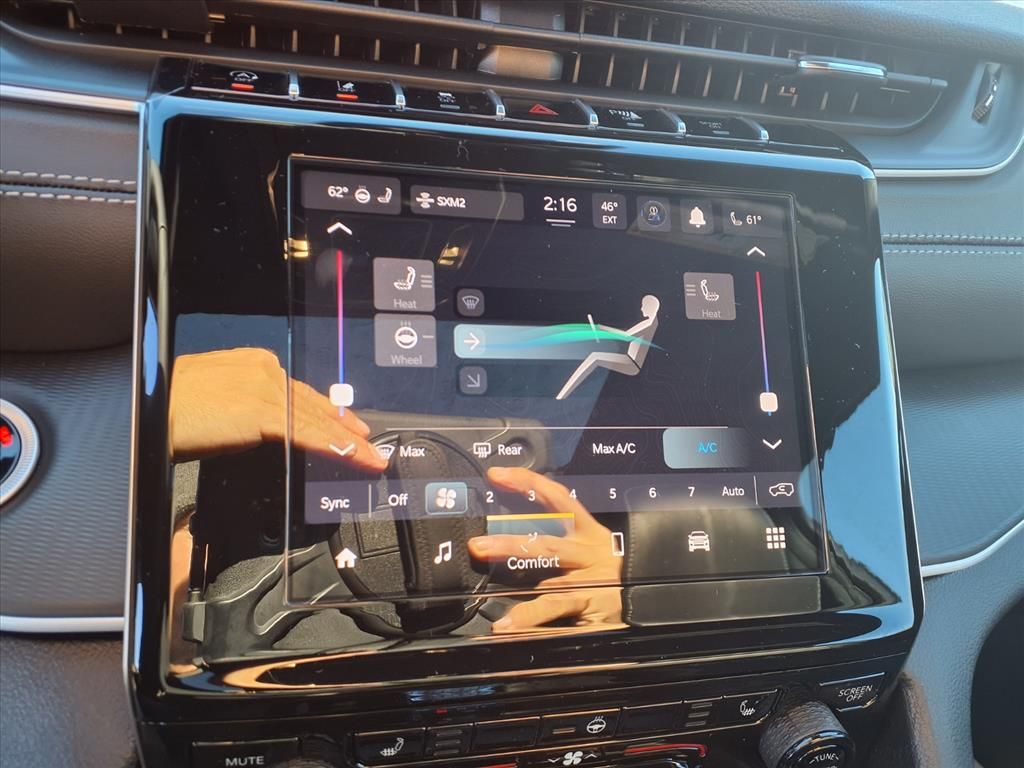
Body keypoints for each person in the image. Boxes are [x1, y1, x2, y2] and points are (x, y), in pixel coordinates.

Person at [556, 294, 660, 400]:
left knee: (594, 357)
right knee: (595, 356)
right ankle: (563, 394)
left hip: (631, 363)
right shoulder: (653, 321)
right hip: (630, 360)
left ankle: (562, 395)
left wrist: (601, 328)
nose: (641, 308)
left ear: (650, 307)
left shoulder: (647, 323)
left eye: (643, 306)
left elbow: (625, 336)